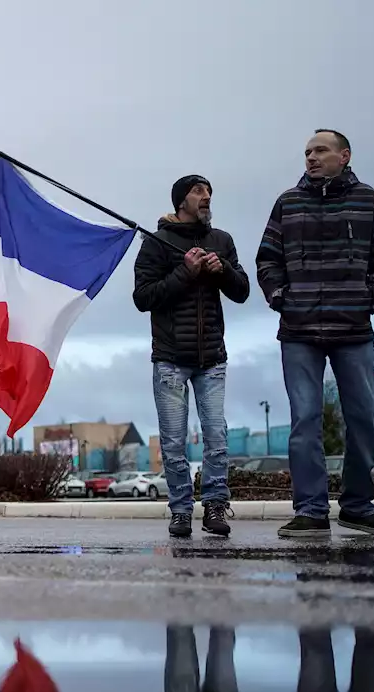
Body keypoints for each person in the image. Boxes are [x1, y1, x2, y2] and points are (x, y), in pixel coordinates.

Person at [255, 130, 374, 538]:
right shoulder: (288, 202)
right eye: (307, 152)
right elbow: (267, 259)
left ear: (344, 155)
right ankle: (311, 510)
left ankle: (357, 506)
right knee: (304, 420)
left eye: (320, 150)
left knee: (364, 418)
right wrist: (281, 296)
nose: (312, 158)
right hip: (298, 331)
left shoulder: (367, 200)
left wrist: (369, 297)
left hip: (354, 329)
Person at [134, 175, 251, 538]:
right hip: (170, 358)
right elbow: (143, 297)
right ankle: (181, 510)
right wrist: (186, 271)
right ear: (180, 201)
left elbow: (243, 291)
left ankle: (215, 505)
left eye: (209, 192)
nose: (206, 197)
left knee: (216, 435)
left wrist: (223, 272)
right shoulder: (157, 242)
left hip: (212, 357)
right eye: (198, 191)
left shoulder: (222, 241)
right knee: (173, 441)